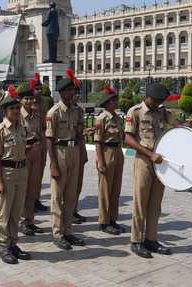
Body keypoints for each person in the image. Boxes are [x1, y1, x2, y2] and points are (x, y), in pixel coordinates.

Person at [125, 83, 191, 258]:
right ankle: (136, 241)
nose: (158, 104)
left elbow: (174, 122)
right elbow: (128, 138)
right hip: (144, 161)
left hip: (160, 163)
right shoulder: (135, 111)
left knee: (155, 204)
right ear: (149, 98)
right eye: (156, 101)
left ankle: (151, 239)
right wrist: (149, 154)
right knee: (141, 202)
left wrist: (186, 125)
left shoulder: (161, 111)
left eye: (161, 101)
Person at [45, 69, 85, 250]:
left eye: (73, 90)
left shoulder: (77, 111)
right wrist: (53, 164)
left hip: (73, 151)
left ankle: (68, 231)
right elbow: (49, 139)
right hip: (59, 152)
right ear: (61, 92)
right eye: (68, 90)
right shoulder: (54, 112)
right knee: (57, 195)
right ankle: (57, 233)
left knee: (71, 195)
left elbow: (79, 133)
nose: (72, 93)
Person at [0, 87, 32, 264]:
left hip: (21, 172)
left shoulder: (21, 128)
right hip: (6, 173)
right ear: (5, 111)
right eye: (12, 109)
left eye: (17, 108)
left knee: (16, 211)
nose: (16, 111)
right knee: (4, 213)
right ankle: (3, 246)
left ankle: (13, 243)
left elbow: (26, 148)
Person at [93, 85, 125, 235]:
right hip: (107, 152)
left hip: (118, 152)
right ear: (108, 102)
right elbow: (98, 141)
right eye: (114, 100)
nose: (117, 102)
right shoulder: (102, 118)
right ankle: (104, 221)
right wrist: (100, 161)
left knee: (115, 189)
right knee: (105, 189)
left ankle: (113, 219)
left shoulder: (117, 118)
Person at [19, 82, 45, 236]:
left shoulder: (36, 115)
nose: (29, 101)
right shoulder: (17, 115)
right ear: (21, 100)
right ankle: (23, 221)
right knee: (24, 188)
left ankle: (30, 220)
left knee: (33, 189)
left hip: (36, 151)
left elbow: (40, 134)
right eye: (26, 99)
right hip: (24, 153)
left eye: (31, 99)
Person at [31, 73, 49, 213]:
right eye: (36, 88)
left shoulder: (44, 102)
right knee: (30, 173)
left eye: (39, 88)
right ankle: (29, 200)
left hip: (42, 138)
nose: (38, 91)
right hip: (31, 141)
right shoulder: (27, 103)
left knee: (39, 171)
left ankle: (36, 198)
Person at [72, 89, 90, 224]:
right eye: (74, 92)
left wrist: (84, 132)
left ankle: (73, 210)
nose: (77, 95)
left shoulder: (79, 110)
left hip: (79, 148)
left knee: (77, 184)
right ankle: (67, 213)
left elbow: (79, 131)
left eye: (78, 92)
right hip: (69, 150)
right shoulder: (63, 111)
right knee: (68, 185)